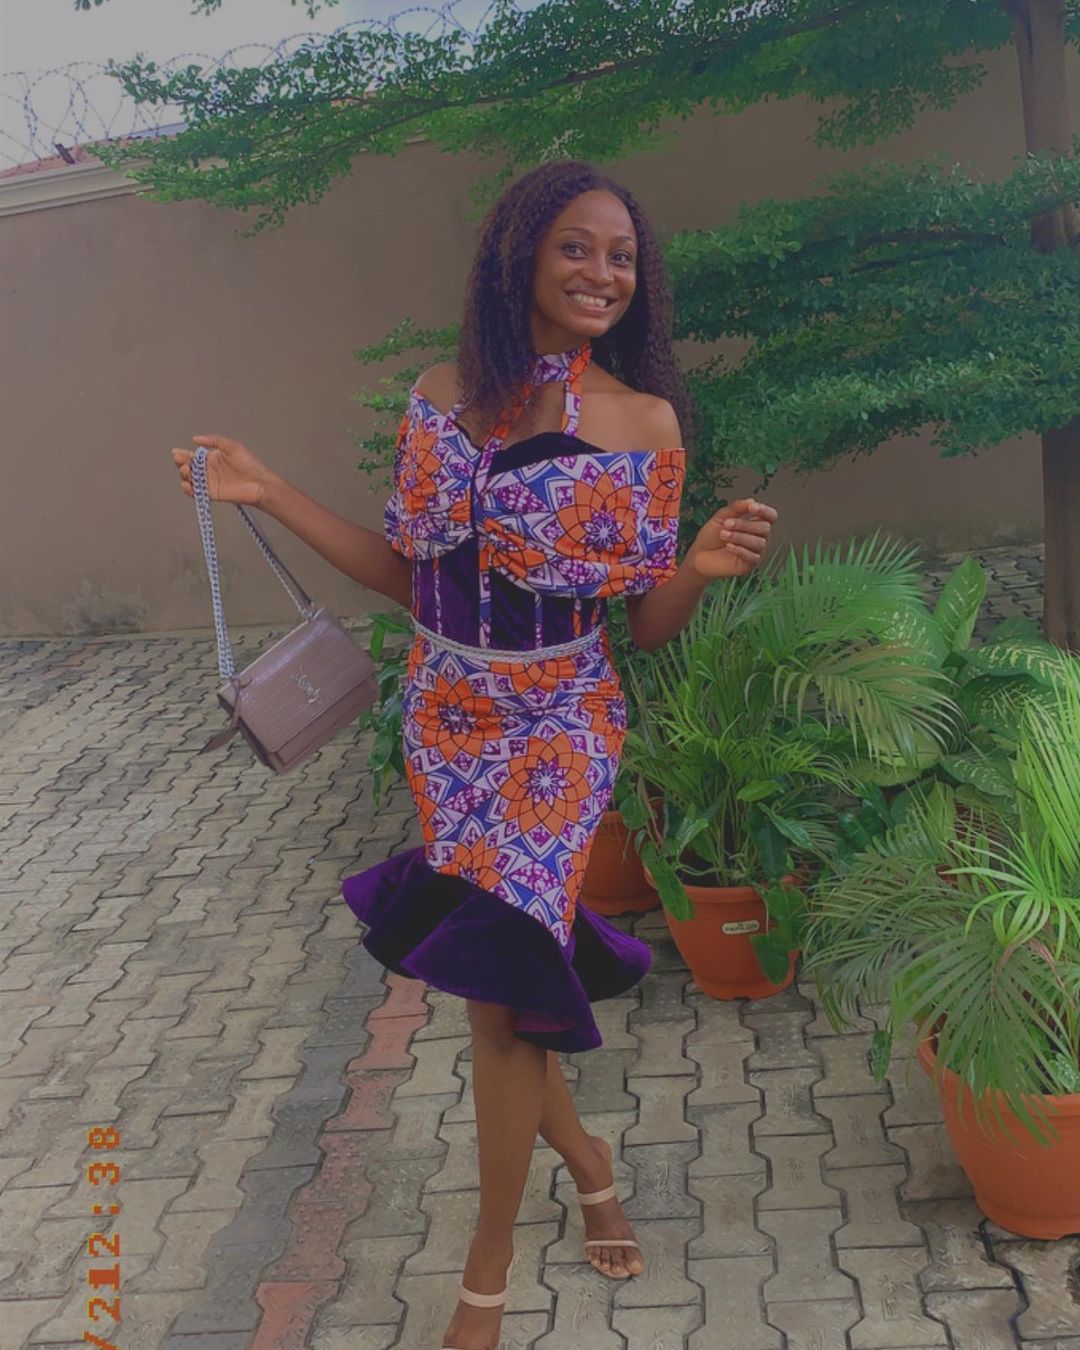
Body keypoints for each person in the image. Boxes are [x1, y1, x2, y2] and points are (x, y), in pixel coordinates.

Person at [172, 158, 777, 1350]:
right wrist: (266, 489)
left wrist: (699, 569)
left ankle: (485, 1280)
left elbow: (645, 626)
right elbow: (409, 579)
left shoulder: (644, 423)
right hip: (449, 717)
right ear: (521, 255)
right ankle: (588, 1167)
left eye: (622, 256)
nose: (603, 272)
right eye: (576, 247)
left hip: (562, 724)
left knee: (501, 994)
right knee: (498, 987)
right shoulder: (443, 396)